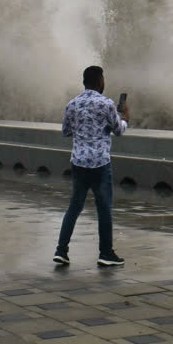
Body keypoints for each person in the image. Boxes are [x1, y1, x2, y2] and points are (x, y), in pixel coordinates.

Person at [54, 65, 129, 267]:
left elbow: (65, 131)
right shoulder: (107, 104)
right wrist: (125, 119)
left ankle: (61, 251)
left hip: (78, 162)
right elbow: (118, 130)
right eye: (103, 79)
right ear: (98, 81)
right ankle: (106, 253)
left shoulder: (72, 104)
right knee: (104, 208)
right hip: (100, 163)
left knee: (74, 207)